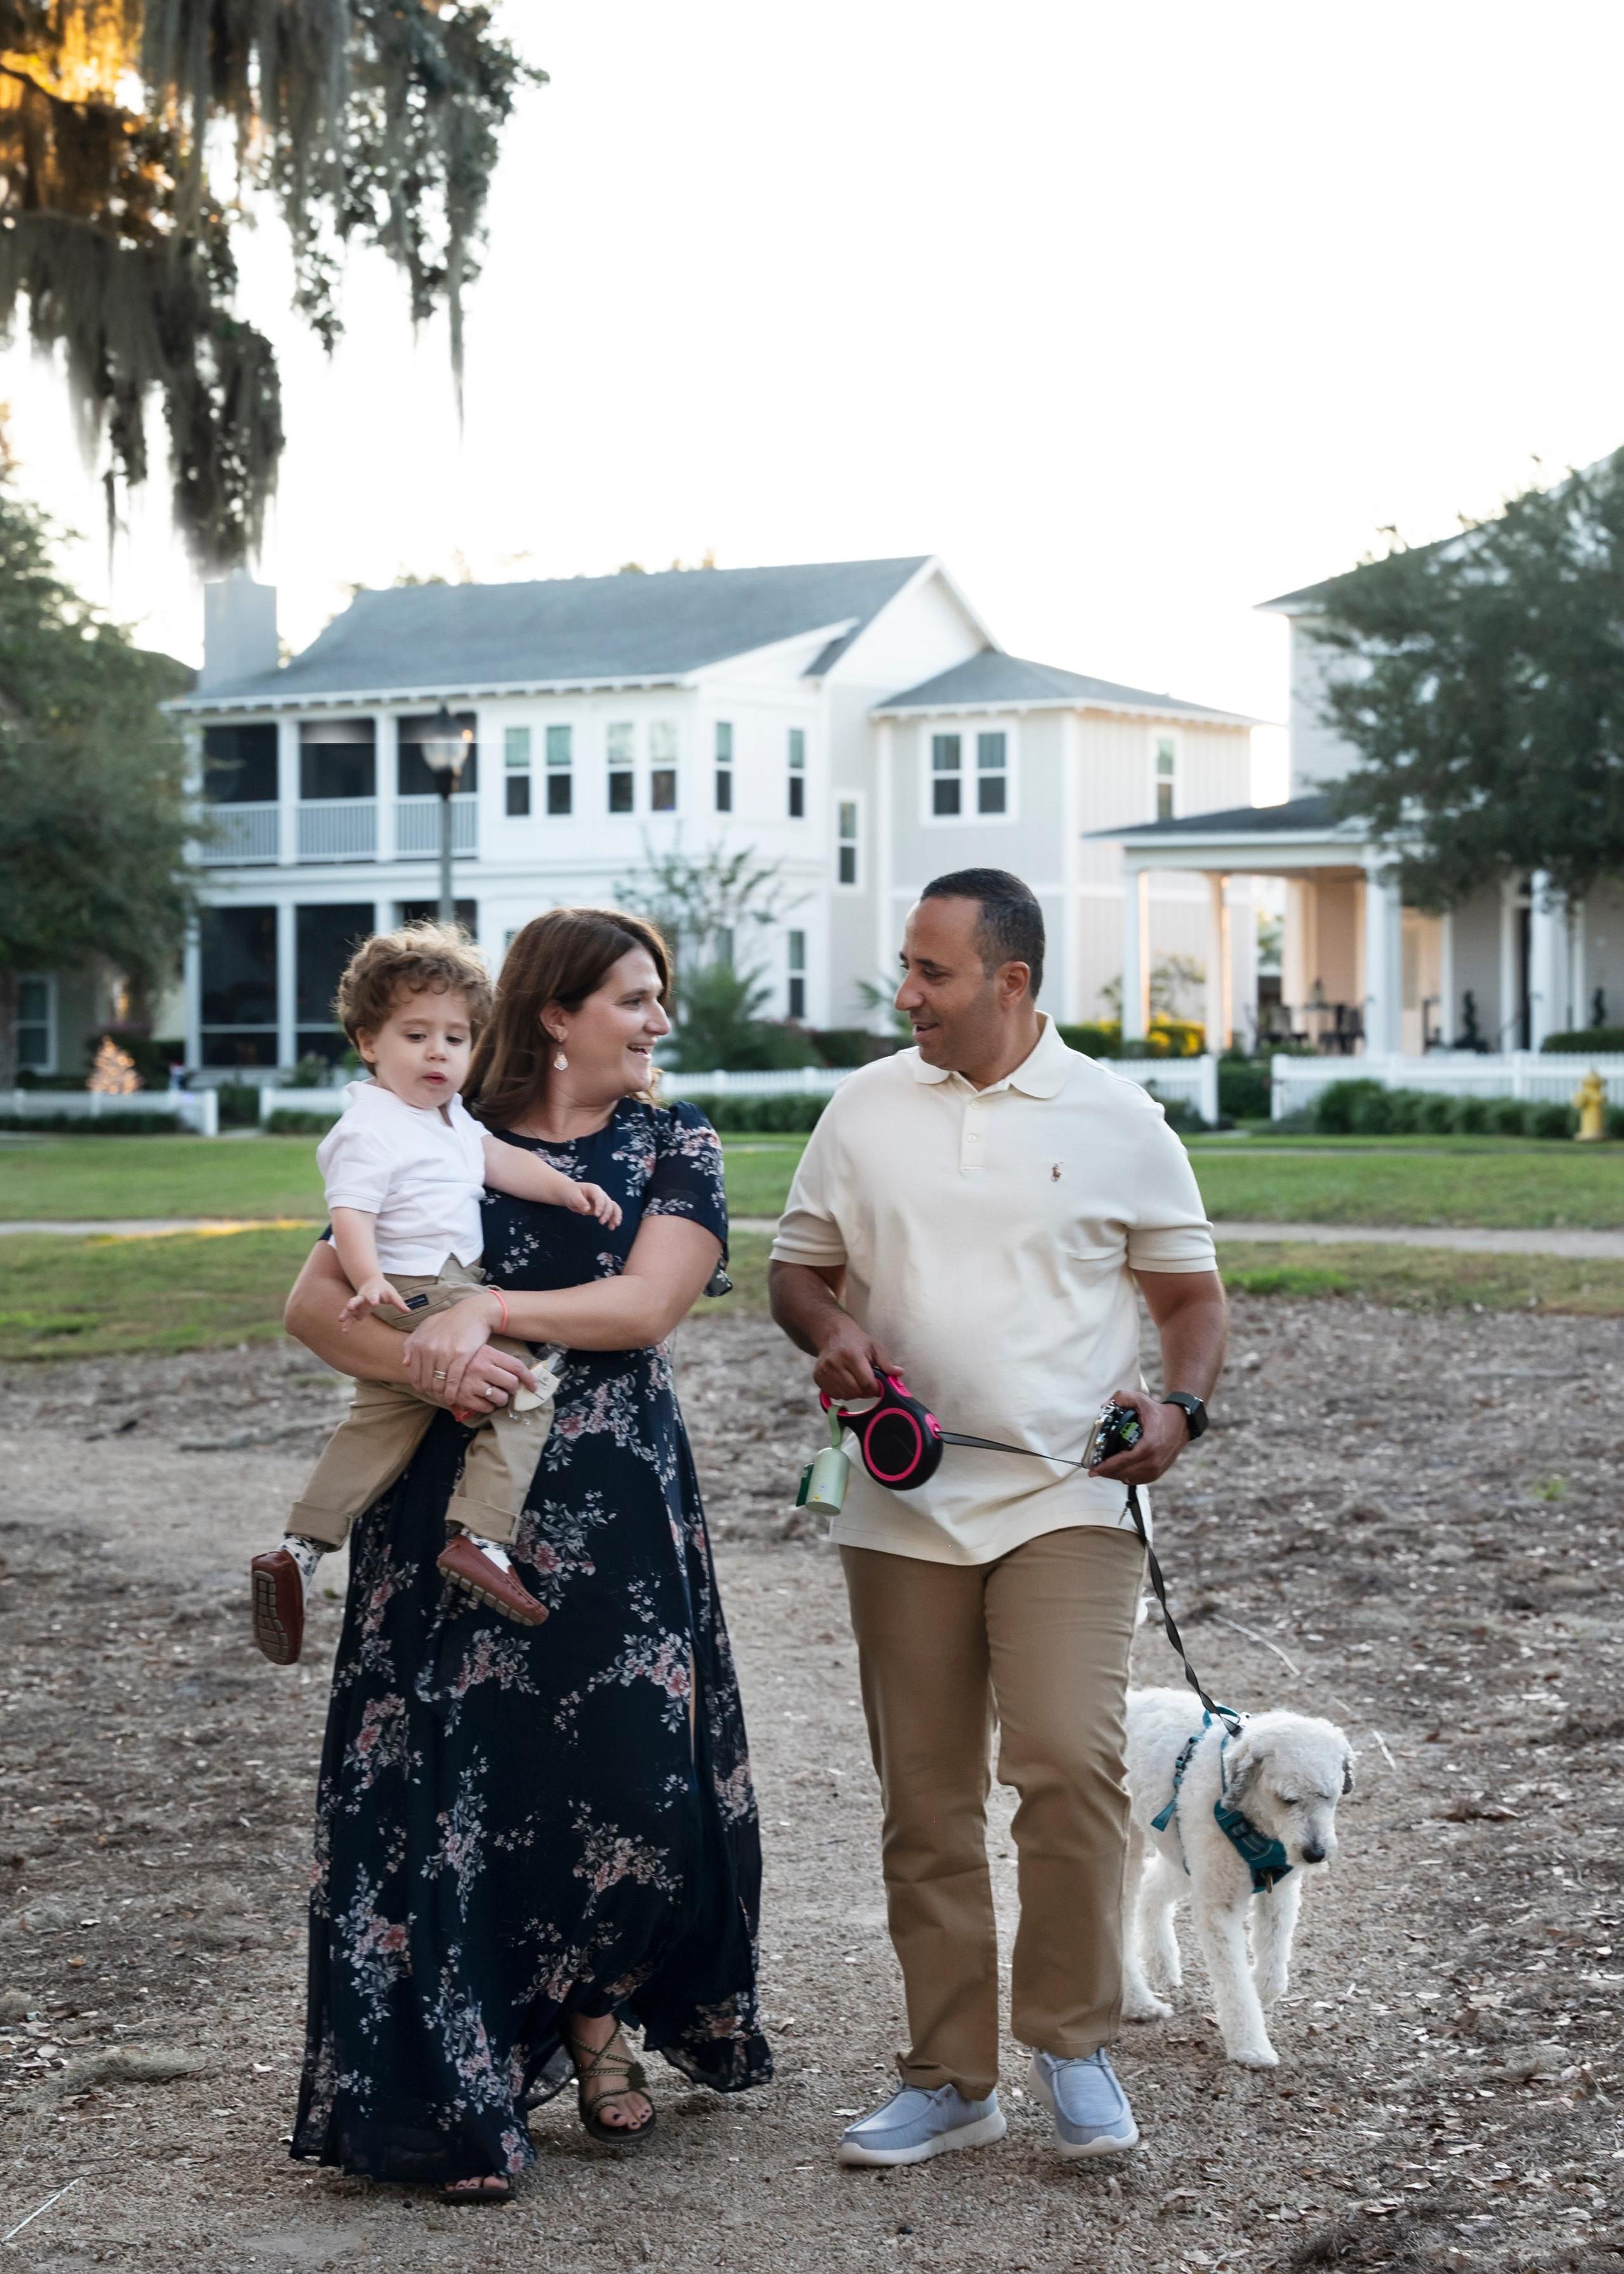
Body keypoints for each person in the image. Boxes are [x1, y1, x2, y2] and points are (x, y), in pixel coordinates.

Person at [282, 907, 770, 2199]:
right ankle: (455, 2081)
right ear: (554, 1012)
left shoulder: (673, 1140)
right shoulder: (439, 1126)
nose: (658, 1020)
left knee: (623, 1779)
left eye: (656, 999)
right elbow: (314, 1302)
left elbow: (647, 1303)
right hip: (446, 1515)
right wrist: (430, 1356)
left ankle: (603, 2023)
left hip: (613, 1505)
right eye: (632, 997)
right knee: (451, 1788)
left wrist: (490, 1304)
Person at [768, 867, 1225, 2167]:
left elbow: (1189, 1300)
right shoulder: (862, 1106)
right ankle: (947, 2077)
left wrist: (1178, 1411)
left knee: (1070, 1764)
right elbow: (793, 1271)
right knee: (923, 1796)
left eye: (931, 972)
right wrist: (833, 1327)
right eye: (905, 969)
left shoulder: (1118, 1115)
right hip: (898, 1496)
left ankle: (1071, 2045)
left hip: (1064, 1497)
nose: (904, 993)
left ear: (1009, 982)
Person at [250, 923, 622, 1663]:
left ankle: (298, 1549)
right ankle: (481, 1534)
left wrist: (569, 1189)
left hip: (425, 1287)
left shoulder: (449, 1119)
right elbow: (348, 1211)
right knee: (526, 1384)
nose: (437, 1053)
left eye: (455, 1039)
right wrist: (368, 1279)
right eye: (416, 1034)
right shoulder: (372, 1125)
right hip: (424, 1285)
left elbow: (500, 1161)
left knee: (381, 1421)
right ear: (368, 1042)